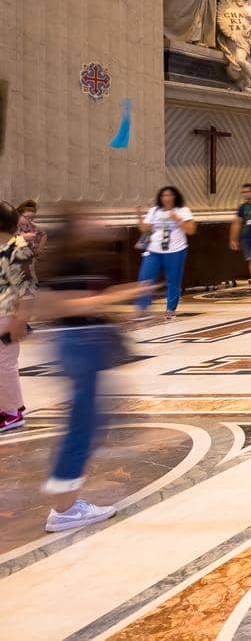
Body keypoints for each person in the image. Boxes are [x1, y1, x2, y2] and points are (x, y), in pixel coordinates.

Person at [36, 208, 151, 531]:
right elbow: (55, 307)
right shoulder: (67, 262)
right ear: (76, 230)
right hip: (78, 344)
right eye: (90, 221)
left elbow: (86, 300)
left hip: (83, 342)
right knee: (82, 424)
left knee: (92, 421)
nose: (100, 224)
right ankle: (64, 507)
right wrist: (105, 302)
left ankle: (66, 495)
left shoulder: (81, 261)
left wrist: (119, 300)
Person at [1, 201, 38, 433]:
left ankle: (13, 412)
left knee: (4, 364)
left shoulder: (17, 248)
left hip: (8, 313)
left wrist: (21, 320)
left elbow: (27, 287)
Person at [135, 186, 197, 317]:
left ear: (175, 197)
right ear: (160, 198)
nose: (167, 198)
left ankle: (170, 308)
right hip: (154, 250)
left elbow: (191, 230)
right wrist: (139, 216)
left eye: (170, 195)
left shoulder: (183, 210)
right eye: (164, 195)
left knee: (173, 280)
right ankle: (143, 308)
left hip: (176, 250)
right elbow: (144, 229)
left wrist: (177, 219)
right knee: (145, 278)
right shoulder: (154, 211)